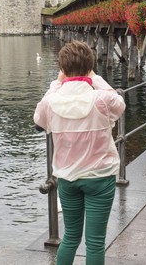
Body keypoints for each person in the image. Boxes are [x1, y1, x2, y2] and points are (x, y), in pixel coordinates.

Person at [33, 41, 126, 265]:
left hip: (67, 177)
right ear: (90, 68)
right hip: (99, 176)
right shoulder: (101, 99)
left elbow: (39, 118)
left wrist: (57, 83)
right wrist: (94, 77)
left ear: (62, 70)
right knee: (95, 242)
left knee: (71, 237)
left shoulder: (51, 101)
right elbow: (119, 103)